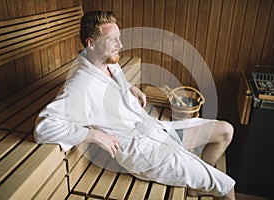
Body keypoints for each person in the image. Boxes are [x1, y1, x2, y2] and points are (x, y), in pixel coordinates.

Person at [34, 11, 235, 199]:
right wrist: (95, 135)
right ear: (91, 43)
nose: (120, 44)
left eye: (119, 38)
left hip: (158, 130)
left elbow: (111, 87)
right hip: (146, 153)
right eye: (112, 40)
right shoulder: (80, 86)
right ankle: (200, 177)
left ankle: (196, 185)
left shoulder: (108, 63)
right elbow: (44, 127)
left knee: (225, 131)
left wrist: (130, 87)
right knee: (227, 187)